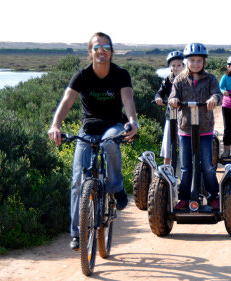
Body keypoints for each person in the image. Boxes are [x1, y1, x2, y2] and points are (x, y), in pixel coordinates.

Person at [48, 32, 139, 251]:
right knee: (78, 181)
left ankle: (116, 188)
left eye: (106, 47)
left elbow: (128, 99)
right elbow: (67, 101)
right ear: (90, 52)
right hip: (88, 129)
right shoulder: (82, 75)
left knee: (109, 143)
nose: (102, 51)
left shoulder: (120, 74)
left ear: (112, 51)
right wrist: (55, 125)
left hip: (113, 125)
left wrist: (133, 122)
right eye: (97, 48)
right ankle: (77, 233)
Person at [168, 43, 222, 210]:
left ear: (204, 62)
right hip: (185, 129)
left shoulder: (210, 79)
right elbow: (173, 96)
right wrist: (174, 100)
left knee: (207, 165)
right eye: (192, 60)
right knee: (185, 167)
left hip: (205, 128)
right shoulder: (180, 79)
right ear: (187, 62)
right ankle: (184, 198)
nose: (196, 64)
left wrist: (214, 99)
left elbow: (217, 94)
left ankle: (213, 196)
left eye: (199, 60)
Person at [155, 51, 185, 165]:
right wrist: (158, 98)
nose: (176, 68)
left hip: (185, 116)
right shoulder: (168, 79)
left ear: (183, 66)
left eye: (179, 65)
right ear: (170, 67)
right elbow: (160, 93)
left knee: (186, 144)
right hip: (170, 115)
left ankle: (187, 171)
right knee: (167, 145)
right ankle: (166, 171)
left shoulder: (188, 80)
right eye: (173, 65)